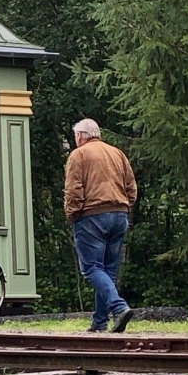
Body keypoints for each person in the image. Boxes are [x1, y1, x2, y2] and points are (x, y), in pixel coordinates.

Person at [65, 118, 137, 334]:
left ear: (80, 136)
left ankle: (119, 307)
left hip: (92, 217)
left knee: (92, 268)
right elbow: (131, 188)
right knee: (108, 271)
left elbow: (73, 190)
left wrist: (72, 215)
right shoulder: (117, 153)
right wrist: (123, 207)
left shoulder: (79, 155)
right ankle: (100, 322)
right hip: (120, 215)